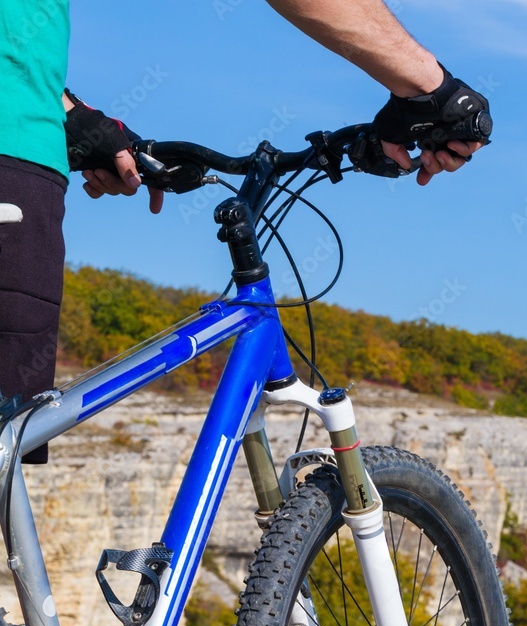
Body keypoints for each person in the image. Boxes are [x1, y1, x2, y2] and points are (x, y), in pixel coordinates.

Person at [0, 0, 489, 462]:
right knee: (11, 439)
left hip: (25, 130)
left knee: (9, 450)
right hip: (14, 152)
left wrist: (68, 114)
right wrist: (434, 92)